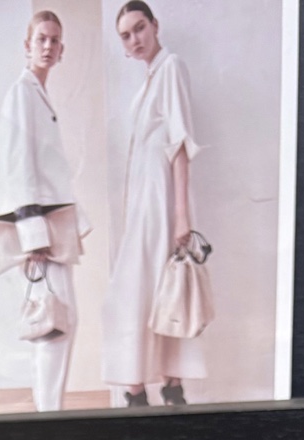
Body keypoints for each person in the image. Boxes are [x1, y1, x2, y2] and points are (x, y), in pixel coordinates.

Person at [101, 1, 205, 406]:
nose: (134, 39)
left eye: (139, 28)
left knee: (165, 288)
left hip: (162, 200)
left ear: (155, 26)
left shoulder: (171, 67)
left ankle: (165, 386)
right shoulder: (148, 80)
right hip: (143, 203)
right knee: (142, 290)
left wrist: (181, 214)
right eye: (125, 35)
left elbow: (179, 144)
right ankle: (145, 388)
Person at [0, 11, 84, 412]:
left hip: (53, 226)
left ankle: (49, 412)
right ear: (27, 46)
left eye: (54, 40)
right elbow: (19, 165)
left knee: (58, 321)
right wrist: (33, 238)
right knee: (53, 323)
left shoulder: (38, 95)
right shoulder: (21, 93)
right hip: (41, 230)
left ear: (62, 50)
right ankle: (49, 417)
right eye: (41, 39)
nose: (48, 46)